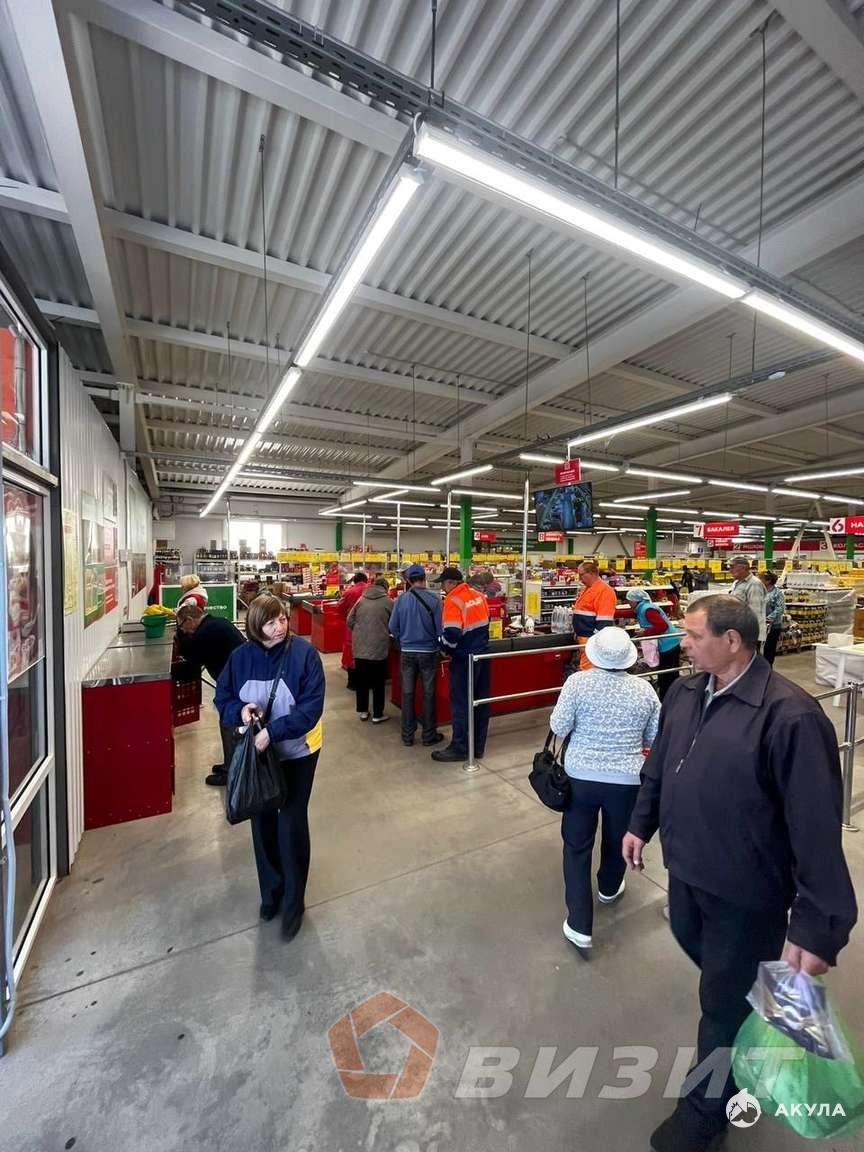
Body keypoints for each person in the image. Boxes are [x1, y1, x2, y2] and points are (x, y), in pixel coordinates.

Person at [622, 596, 857, 1152]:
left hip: (747, 893)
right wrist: (639, 824)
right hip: (687, 874)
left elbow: (815, 828)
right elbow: (660, 768)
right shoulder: (684, 692)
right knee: (730, 982)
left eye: (693, 635)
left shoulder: (790, 716)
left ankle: (704, 1114)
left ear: (732, 641)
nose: (683, 643)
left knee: (721, 1005)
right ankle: (755, 1022)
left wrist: (817, 926)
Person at [215, 594, 325, 940]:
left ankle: (294, 901)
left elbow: (311, 709)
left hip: (298, 751)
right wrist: (240, 711)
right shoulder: (240, 658)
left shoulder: (304, 655)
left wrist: (272, 733)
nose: (280, 627)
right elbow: (222, 697)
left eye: (283, 619)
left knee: (291, 822)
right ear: (255, 626)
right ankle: (271, 893)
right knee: (261, 820)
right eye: (270, 622)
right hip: (259, 755)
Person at [550, 627, 660, 953]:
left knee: (576, 846)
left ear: (594, 654)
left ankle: (579, 924)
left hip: (580, 778)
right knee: (616, 838)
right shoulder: (645, 690)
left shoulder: (577, 683)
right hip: (627, 781)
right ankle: (610, 887)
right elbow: (654, 737)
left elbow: (559, 726)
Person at [175, 603, 245, 786]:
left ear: (189, 620)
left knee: (228, 723)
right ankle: (231, 764)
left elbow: (192, 663)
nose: (184, 631)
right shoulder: (214, 624)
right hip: (236, 678)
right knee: (229, 722)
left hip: (236, 681)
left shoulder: (206, 632)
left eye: (182, 626)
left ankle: (231, 772)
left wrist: (171, 672)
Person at [430, 567, 490, 763]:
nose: (442, 587)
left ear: (451, 583)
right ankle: (478, 747)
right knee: (480, 703)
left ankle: (460, 747)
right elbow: (486, 622)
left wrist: (443, 648)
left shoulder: (453, 600)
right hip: (483, 655)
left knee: (461, 703)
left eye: (443, 583)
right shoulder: (478, 595)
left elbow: (452, 634)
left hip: (464, 659)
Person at [388, 564, 444, 748]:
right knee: (428, 694)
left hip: (407, 653)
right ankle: (429, 735)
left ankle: (407, 736)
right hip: (428, 652)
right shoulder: (435, 600)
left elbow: (392, 627)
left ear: (408, 580)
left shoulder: (400, 600)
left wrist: (403, 639)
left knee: (407, 693)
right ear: (424, 578)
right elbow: (440, 630)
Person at [347, 576, 393, 723]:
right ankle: (377, 715)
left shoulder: (361, 599)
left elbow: (349, 620)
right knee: (378, 683)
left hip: (360, 647)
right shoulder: (388, 602)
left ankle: (363, 712)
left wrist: (360, 631)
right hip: (379, 648)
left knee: (362, 682)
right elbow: (394, 624)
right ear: (385, 587)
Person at [625, 588, 681, 701]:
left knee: (667, 674)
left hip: (668, 644)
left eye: (629, 600)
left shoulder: (647, 610)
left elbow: (662, 626)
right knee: (669, 673)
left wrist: (644, 633)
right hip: (670, 642)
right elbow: (629, 613)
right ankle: (672, 697)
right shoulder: (642, 608)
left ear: (635, 600)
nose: (628, 603)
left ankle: (667, 700)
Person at [572, 560, 618, 671]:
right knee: (585, 668)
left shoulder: (604, 591)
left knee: (589, 671)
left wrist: (595, 642)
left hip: (592, 640)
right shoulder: (588, 589)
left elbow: (604, 621)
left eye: (581, 575)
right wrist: (577, 632)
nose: (580, 579)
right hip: (584, 638)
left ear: (592, 573)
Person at [336, 571, 368, 691]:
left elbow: (339, 607)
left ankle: (352, 683)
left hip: (352, 627)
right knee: (366, 652)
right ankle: (366, 681)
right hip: (369, 627)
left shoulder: (349, 592)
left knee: (351, 653)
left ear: (354, 581)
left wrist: (347, 617)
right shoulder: (371, 590)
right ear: (366, 580)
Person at [727, 553, 767, 647]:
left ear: (743, 567)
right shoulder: (736, 583)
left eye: (732, 567)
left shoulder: (754, 584)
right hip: (739, 631)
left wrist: (749, 635)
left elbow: (755, 612)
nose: (730, 570)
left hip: (750, 634)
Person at [760, 569, 785, 667]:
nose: (758, 581)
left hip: (772, 627)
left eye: (760, 579)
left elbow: (780, 608)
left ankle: (767, 669)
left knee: (769, 650)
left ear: (768, 581)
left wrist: (768, 619)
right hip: (760, 625)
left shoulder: (777, 593)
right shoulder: (760, 591)